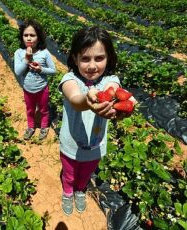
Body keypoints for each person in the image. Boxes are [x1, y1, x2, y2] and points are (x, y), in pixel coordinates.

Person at [58, 26, 136, 215]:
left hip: (96, 145)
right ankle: (68, 191)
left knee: (85, 173)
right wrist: (88, 99)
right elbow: (76, 100)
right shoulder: (69, 79)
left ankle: (80, 190)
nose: (92, 65)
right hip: (71, 144)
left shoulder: (110, 81)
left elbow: (114, 89)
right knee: (69, 173)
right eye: (85, 58)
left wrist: (128, 104)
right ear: (75, 59)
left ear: (108, 58)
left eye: (99, 58)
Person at [14, 19, 56, 140]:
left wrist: (41, 69)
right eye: (25, 35)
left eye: (32, 35)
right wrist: (27, 59)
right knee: (30, 109)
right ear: (22, 37)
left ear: (39, 37)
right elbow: (18, 72)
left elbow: (53, 70)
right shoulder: (19, 53)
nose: (29, 38)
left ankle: (44, 127)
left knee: (43, 109)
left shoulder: (44, 53)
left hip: (42, 88)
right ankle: (31, 127)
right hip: (27, 89)